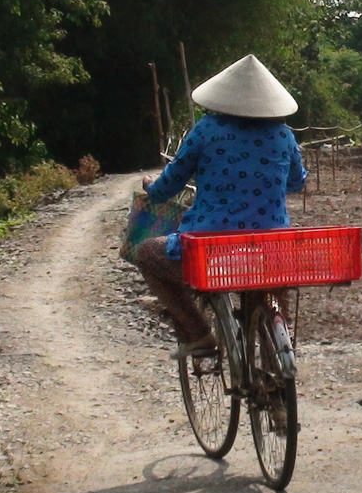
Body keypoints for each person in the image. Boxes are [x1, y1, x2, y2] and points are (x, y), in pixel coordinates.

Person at [131, 54, 306, 352]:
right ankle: (276, 356)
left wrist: (152, 189)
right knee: (272, 286)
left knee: (148, 254)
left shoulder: (206, 130)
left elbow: (171, 182)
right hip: (270, 247)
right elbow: (296, 182)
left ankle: (199, 333)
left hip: (211, 249)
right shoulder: (283, 135)